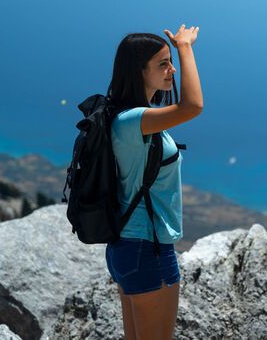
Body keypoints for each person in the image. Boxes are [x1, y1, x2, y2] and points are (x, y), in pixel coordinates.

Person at [104, 24, 203, 340]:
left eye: (171, 60)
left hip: (128, 247)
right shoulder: (135, 121)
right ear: (139, 72)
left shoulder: (124, 117)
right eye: (163, 63)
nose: (171, 69)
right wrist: (185, 47)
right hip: (146, 249)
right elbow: (193, 106)